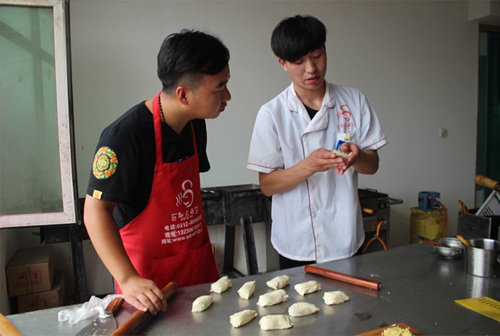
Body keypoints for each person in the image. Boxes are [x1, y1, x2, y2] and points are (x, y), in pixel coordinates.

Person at [84, 30, 231, 314]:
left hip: (198, 272)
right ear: (183, 94)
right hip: (148, 285)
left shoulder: (194, 123)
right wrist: (128, 280)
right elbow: (95, 212)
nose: (227, 95)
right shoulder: (124, 136)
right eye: (219, 87)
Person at [247, 15, 387, 270]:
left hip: (345, 236)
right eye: (299, 62)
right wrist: (309, 166)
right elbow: (267, 185)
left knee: (348, 306)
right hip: (296, 242)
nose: (311, 69)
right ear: (283, 63)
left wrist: (359, 157)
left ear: (325, 51)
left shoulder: (353, 101)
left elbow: (373, 166)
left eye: (317, 55)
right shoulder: (271, 114)